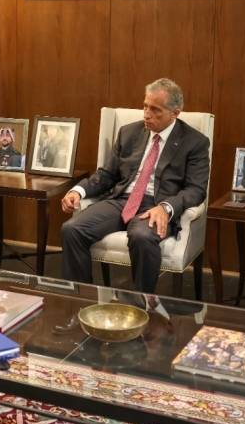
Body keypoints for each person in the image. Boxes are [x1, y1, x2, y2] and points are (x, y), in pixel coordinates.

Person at [60, 78, 210, 293]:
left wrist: (166, 207)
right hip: (122, 199)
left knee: (142, 237)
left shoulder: (194, 142)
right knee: (72, 229)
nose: (147, 114)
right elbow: (107, 174)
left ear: (175, 113)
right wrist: (78, 191)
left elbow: (196, 190)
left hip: (156, 206)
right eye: (145, 106)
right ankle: (80, 300)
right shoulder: (129, 132)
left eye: (155, 110)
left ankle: (141, 305)